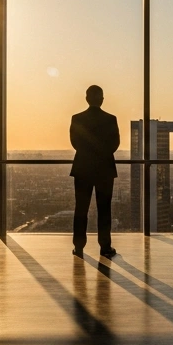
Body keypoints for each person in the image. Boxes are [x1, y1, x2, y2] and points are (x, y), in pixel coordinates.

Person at [70, 85, 119, 257]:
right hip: (105, 169)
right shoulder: (110, 119)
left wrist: (88, 153)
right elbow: (115, 144)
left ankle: (79, 246)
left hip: (83, 168)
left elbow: (75, 142)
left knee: (81, 208)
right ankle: (105, 246)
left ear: (86, 99)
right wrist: (101, 154)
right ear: (102, 99)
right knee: (104, 209)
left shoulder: (77, 119)